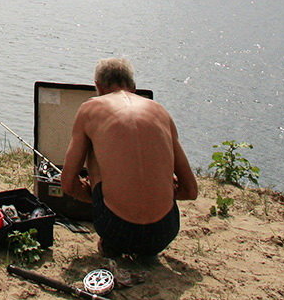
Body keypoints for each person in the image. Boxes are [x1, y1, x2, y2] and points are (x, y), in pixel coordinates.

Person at [61, 57, 198, 260]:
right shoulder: (160, 111)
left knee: (96, 156)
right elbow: (191, 190)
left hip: (116, 231)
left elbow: (68, 183)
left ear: (98, 86)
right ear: (134, 87)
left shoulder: (89, 109)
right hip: (164, 232)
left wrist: (96, 193)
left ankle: (112, 240)